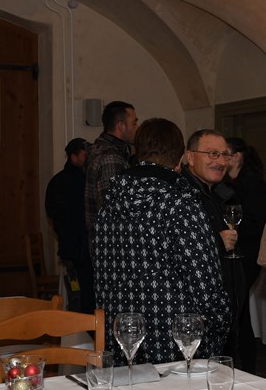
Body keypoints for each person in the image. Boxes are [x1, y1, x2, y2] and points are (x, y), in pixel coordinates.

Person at [93, 118, 229, 366]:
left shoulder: (109, 205)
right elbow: (205, 281)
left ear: (138, 152)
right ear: (179, 160)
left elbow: (101, 278)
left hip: (123, 337)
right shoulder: (180, 204)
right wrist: (217, 329)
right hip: (175, 345)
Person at [181, 129, 248, 365]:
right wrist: (217, 242)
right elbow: (182, 252)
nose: (220, 161)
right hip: (200, 316)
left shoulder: (219, 193)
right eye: (212, 154)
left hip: (225, 310)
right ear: (190, 157)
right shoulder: (183, 197)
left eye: (224, 155)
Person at [224, 137, 266, 372]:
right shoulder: (230, 182)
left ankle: (243, 366)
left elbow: (260, 223)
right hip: (239, 253)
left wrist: (232, 228)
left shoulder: (253, 183)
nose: (220, 159)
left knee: (239, 310)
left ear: (236, 157)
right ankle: (241, 366)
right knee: (239, 310)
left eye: (224, 154)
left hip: (249, 254)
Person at [44, 137, 93, 313]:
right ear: (73, 157)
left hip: (74, 249)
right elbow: (58, 214)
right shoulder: (67, 182)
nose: (88, 158)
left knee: (80, 294)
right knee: (79, 294)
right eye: (85, 155)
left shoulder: (64, 181)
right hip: (75, 250)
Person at [84, 100, 139, 244]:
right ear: (121, 126)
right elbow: (114, 212)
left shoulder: (110, 152)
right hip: (112, 245)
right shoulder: (111, 159)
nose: (137, 128)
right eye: (134, 123)